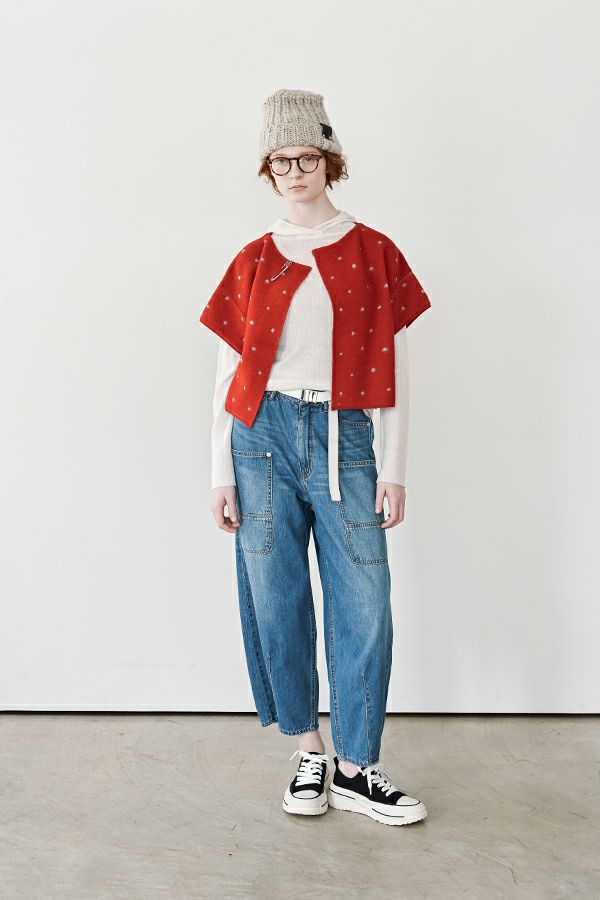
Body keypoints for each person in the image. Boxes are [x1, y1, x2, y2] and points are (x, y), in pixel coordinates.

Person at [199, 88, 431, 827]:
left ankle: (359, 768)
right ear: (267, 170)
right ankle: (309, 750)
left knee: (365, 600)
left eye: (305, 157)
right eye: (280, 161)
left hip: (346, 437)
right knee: (276, 597)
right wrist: (220, 471)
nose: (294, 171)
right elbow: (227, 372)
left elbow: (394, 367)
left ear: (330, 160)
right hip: (260, 438)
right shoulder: (253, 258)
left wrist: (393, 466)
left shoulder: (374, 250)